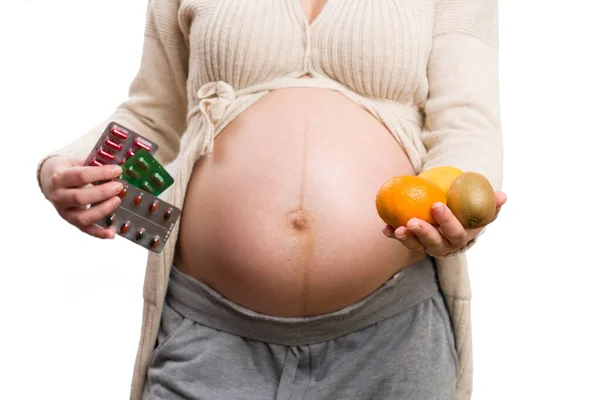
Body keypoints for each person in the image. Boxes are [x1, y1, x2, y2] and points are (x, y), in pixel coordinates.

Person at [36, 0, 506, 399]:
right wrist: (65, 167)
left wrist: (458, 219)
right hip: (208, 332)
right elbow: (154, 113)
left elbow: (465, 124)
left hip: (391, 340)